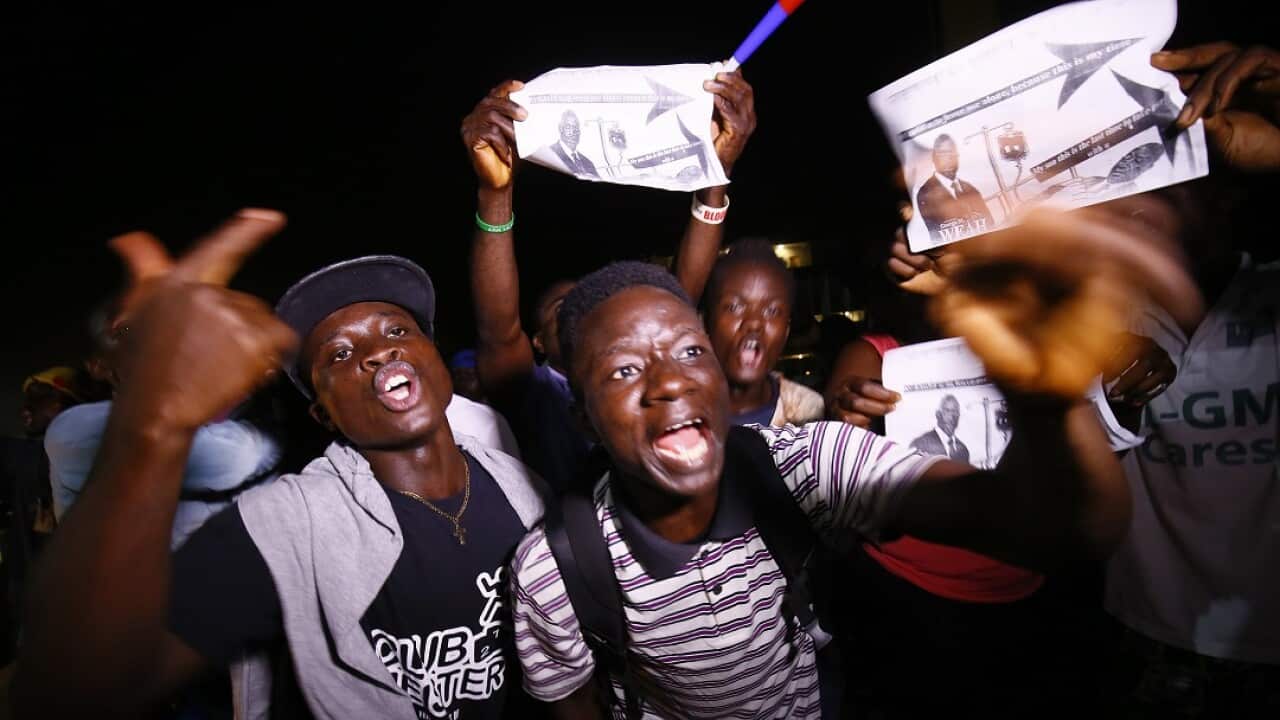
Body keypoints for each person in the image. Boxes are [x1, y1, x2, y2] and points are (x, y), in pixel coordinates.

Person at [508, 192, 1199, 717]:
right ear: (584, 420)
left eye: (691, 352)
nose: (668, 381)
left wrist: (1046, 399)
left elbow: (1070, 531)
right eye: (623, 371)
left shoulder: (806, 467)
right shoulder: (555, 569)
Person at [13, 212, 548, 720]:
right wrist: (152, 424)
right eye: (339, 355)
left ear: (436, 359)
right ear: (323, 412)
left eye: (398, 331)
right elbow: (70, 695)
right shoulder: (287, 525)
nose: (377, 352)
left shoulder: (525, 491)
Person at [462, 70, 756, 489]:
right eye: (562, 310)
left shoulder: (649, 370)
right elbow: (497, 329)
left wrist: (714, 170)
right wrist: (494, 195)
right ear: (538, 343)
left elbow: (676, 299)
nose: (584, 314)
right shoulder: (536, 392)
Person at [1100, 42, 1280, 716]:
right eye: (1143, 196)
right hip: (1154, 633)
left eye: (1181, 192)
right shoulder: (1104, 318)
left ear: (1226, 196)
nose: (1156, 213)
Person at [703, 238, 824, 427]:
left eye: (772, 311)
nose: (754, 323)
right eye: (734, 307)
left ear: (786, 331)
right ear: (706, 323)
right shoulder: (682, 410)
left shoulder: (807, 410)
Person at [915, 133, 994, 242]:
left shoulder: (971, 189)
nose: (949, 158)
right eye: (943, 154)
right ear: (934, 158)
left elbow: (990, 225)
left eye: (952, 154)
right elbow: (937, 240)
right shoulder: (925, 194)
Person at [532, 110, 599, 177]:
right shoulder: (547, 155)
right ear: (560, 129)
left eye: (576, 127)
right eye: (568, 127)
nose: (573, 132)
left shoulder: (588, 163)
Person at [909, 394, 969, 461]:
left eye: (955, 412)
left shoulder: (963, 450)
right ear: (937, 414)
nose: (952, 416)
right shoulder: (920, 444)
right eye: (947, 411)